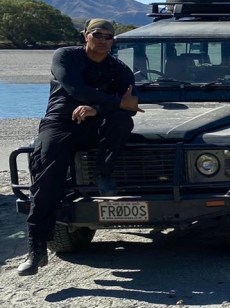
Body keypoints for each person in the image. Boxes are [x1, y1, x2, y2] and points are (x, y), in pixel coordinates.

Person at [17, 19, 142, 276]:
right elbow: (76, 88)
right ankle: (36, 250)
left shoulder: (119, 70)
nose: (103, 40)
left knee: (122, 120)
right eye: (97, 34)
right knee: (46, 181)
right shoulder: (66, 57)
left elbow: (131, 105)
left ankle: (103, 174)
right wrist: (114, 103)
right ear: (85, 35)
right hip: (60, 123)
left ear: (113, 41)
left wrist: (98, 108)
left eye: (108, 36)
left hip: (95, 125)